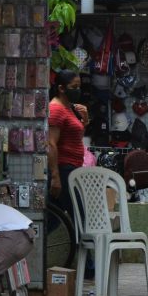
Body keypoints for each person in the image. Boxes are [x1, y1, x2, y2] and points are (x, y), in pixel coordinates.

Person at [47, 70, 88, 218]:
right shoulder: (56, 109)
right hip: (64, 169)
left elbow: (75, 137)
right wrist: (55, 176)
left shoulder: (69, 107)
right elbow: (51, 143)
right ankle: (80, 242)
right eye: (74, 86)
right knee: (79, 216)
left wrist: (85, 120)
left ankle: (37, 240)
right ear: (61, 88)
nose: (77, 90)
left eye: (79, 86)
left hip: (71, 169)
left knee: (56, 218)